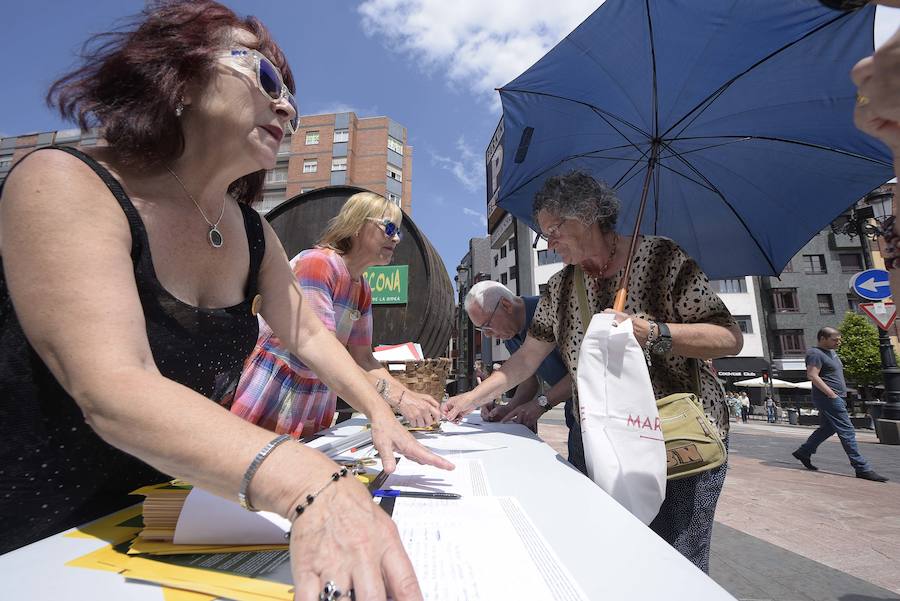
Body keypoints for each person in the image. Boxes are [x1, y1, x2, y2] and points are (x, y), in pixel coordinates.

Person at [0, 3, 452, 598]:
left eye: (289, 95)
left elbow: (311, 335)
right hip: (34, 539)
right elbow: (112, 385)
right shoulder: (62, 180)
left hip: (153, 524)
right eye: (265, 79)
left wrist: (378, 411)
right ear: (177, 75)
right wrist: (310, 482)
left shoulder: (252, 231)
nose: (287, 107)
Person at [444, 170, 743, 572]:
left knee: (675, 565)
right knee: (611, 557)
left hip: (675, 441)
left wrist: (654, 331)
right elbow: (526, 360)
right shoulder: (560, 287)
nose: (548, 243)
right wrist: (468, 399)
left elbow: (728, 337)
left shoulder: (663, 258)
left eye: (553, 230)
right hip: (602, 439)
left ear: (586, 213)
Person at [232, 192, 442, 435]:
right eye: (390, 227)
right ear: (357, 225)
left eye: (398, 232)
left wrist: (408, 395)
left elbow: (363, 358)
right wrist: (397, 401)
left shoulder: (362, 288)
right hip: (278, 390)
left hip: (316, 394)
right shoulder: (319, 264)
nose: (395, 238)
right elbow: (320, 351)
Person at [464, 281, 584, 473]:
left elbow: (584, 370)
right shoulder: (511, 334)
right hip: (574, 408)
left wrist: (543, 403)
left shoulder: (549, 310)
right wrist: (509, 408)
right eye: (481, 330)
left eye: (487, 326)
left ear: (506, 305)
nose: (487, 336)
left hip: (597, 406)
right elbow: (528, 382)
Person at [792, 328, 888, 481]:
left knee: (827, 429)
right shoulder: (815, 353)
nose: (839, 342)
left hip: (835, 397)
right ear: (823, 338)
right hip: (829, 398)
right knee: (847, 430)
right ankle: (862, 467)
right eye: (835, 340)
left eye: (839, 339)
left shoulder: (831, 353)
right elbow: (812, 375)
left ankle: (804, 452)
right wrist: (831, 394)